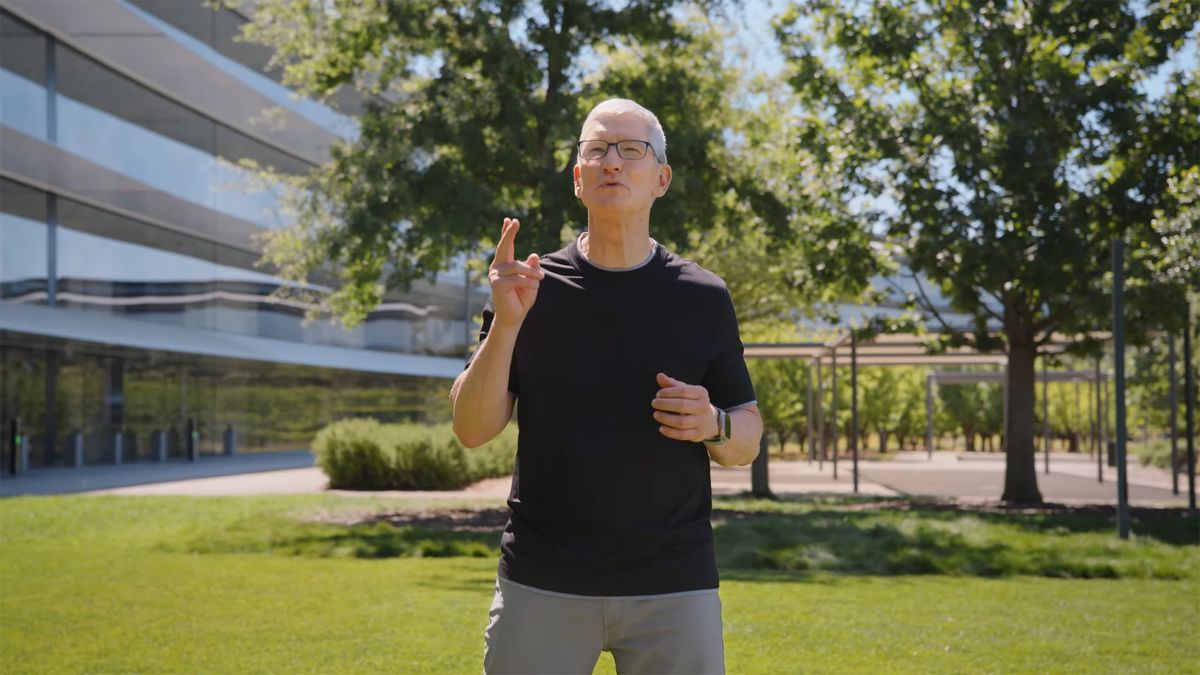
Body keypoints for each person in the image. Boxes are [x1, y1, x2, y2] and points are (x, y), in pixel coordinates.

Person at [450, 98, 762, 675]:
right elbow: (471, 428)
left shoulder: (704, 297)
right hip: (542, 581)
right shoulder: (528, 287)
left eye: (630, 149)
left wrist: (713, 424)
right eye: (595, 150)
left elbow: (745, 439)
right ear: (578, 178)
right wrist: (508, 324)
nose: (611, 162)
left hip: (674, 584)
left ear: (661, 178)